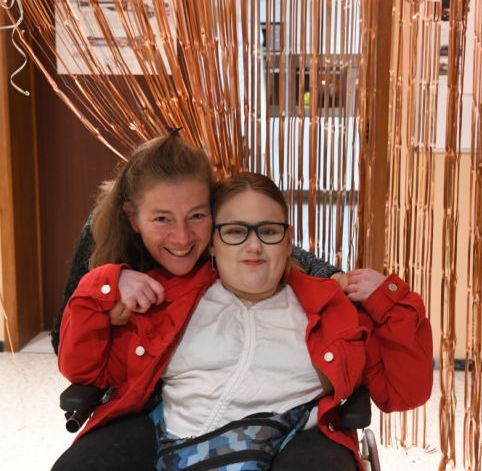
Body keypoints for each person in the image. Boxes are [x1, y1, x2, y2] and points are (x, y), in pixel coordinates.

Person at [54, 165, 433, 470]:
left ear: (288, 241)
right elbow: (84, 370)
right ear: (212, 243)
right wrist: (103, 285)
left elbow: (405, 392)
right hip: (169, 439)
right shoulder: (164, 298)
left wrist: (392, 301)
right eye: (235, 232)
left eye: (268, 231)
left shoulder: (333, 309)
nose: (253, 245)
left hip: (290, 441)